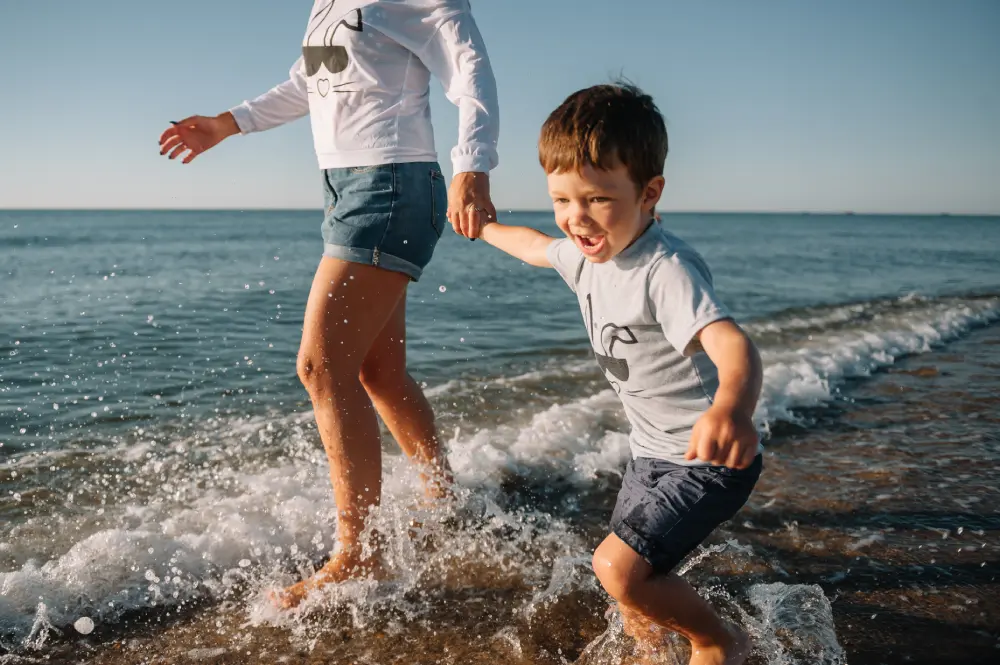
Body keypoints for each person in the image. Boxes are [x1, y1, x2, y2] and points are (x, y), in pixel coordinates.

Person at [158, 0, 499, 608]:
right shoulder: (327, 5)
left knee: (320, 367)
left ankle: (358, 556)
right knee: (378, 370)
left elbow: (469, 65)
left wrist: (472, 165)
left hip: (390, 182)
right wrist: (227, 123)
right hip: (344, 185)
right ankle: (444, 502)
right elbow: (309, 80)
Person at [474, 83, 762, 665]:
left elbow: (732, 344)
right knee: (629, 587)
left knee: (616, 567)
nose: (575, 219)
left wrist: (731, 407)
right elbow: (534, 245)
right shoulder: (584, 256)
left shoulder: (665, 269)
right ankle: (651, 656)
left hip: (708, 461)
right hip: (650, 454)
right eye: (562, 200)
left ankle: (718, 641)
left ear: (649, 192)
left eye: (597, 200)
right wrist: (481, 227)